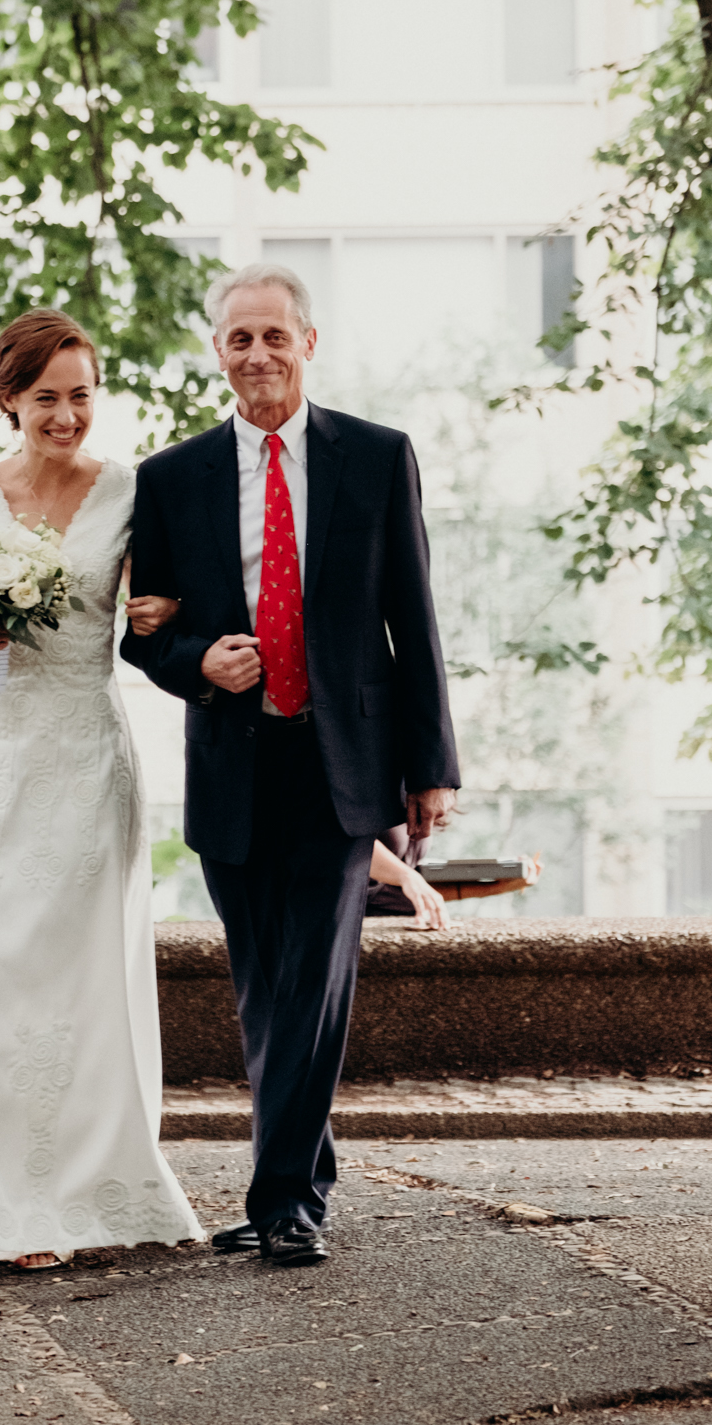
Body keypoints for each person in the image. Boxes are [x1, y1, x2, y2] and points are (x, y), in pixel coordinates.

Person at [121, 262, 460, 1268]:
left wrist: (430, 766)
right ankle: (297, 1184)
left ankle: (282, 1201)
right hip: (235, 756)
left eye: (275, 336)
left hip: (341, 757)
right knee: (265, 983)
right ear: (216, 352)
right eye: (238, 339)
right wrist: (197, 665)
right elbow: (144, 637)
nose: (257, 354)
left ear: (308, 344)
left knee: (316, 975)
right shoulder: (170, 480)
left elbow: (415, 617)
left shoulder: (376, 456)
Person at [0, 309, 201, 1272]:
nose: (66, 416)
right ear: (9, 400)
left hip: (85, 756)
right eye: (46, 399)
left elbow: (155, 611)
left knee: (79, 979)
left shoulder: (131, 495)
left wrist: (159, 609)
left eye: (80, 396)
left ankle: (64, 1197)